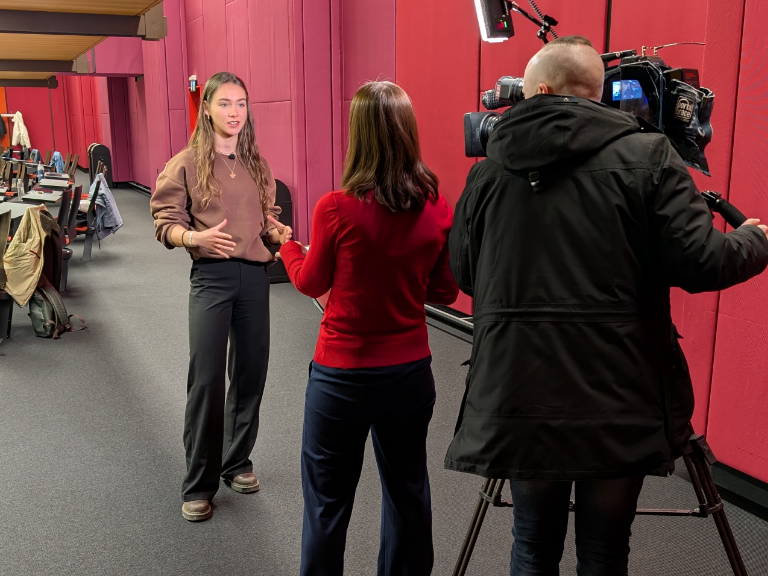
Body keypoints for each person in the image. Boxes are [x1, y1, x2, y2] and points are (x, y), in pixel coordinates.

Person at [446, 36, 768, 575]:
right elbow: (704, 262)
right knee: (604, 552)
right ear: (596, 93)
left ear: (541, 91)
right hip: (620, 394)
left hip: (519, 389)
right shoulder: (650, 155)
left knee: (531, 545)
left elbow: (464, 274)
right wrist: (754, 240)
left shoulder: (488, 170)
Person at [278, 81, 459, 575]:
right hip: (408, 375)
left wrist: (287, 246)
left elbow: (309, 281)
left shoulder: (335, 207)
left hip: (343, 378)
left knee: (327, 504)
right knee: (408, 493)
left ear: (359, 136)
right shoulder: (437, 206)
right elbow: (443, 292)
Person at [150, 71, 292, 522]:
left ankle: (236, 462)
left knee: (251, 375)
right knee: (208, 381)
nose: (235, 113)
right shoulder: (186, 163)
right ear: (206, 107)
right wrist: (192, 239)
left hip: (254, 279)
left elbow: (265, 216)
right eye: (226, 104)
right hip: (210, 278)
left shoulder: (257, 164)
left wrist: (274, 231)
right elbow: (164, 220)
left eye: (242, 105)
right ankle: (199, 483)